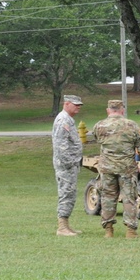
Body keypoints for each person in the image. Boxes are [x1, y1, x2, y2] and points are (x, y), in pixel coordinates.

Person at [93, 99, 140, 239]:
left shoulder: (99, 125)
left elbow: (97, 140)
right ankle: (131, 231)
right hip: (126, 168)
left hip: (107, 167)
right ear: (122, 110)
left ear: (108, 110)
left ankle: (108, 230)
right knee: (129, 198)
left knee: (107, 197)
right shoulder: (131, 125)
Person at [52, 94, 84, 237]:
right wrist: (70, 162)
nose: (78, 107)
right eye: (75, 104)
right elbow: (61, 145)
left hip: (70, 165)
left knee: (70, 194)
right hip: (66, 166)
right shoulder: (62, 120)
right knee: (66, 193)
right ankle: (62, 227)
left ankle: (66, 225)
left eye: (79, 105)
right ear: (66, 104)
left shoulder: (68, 120)